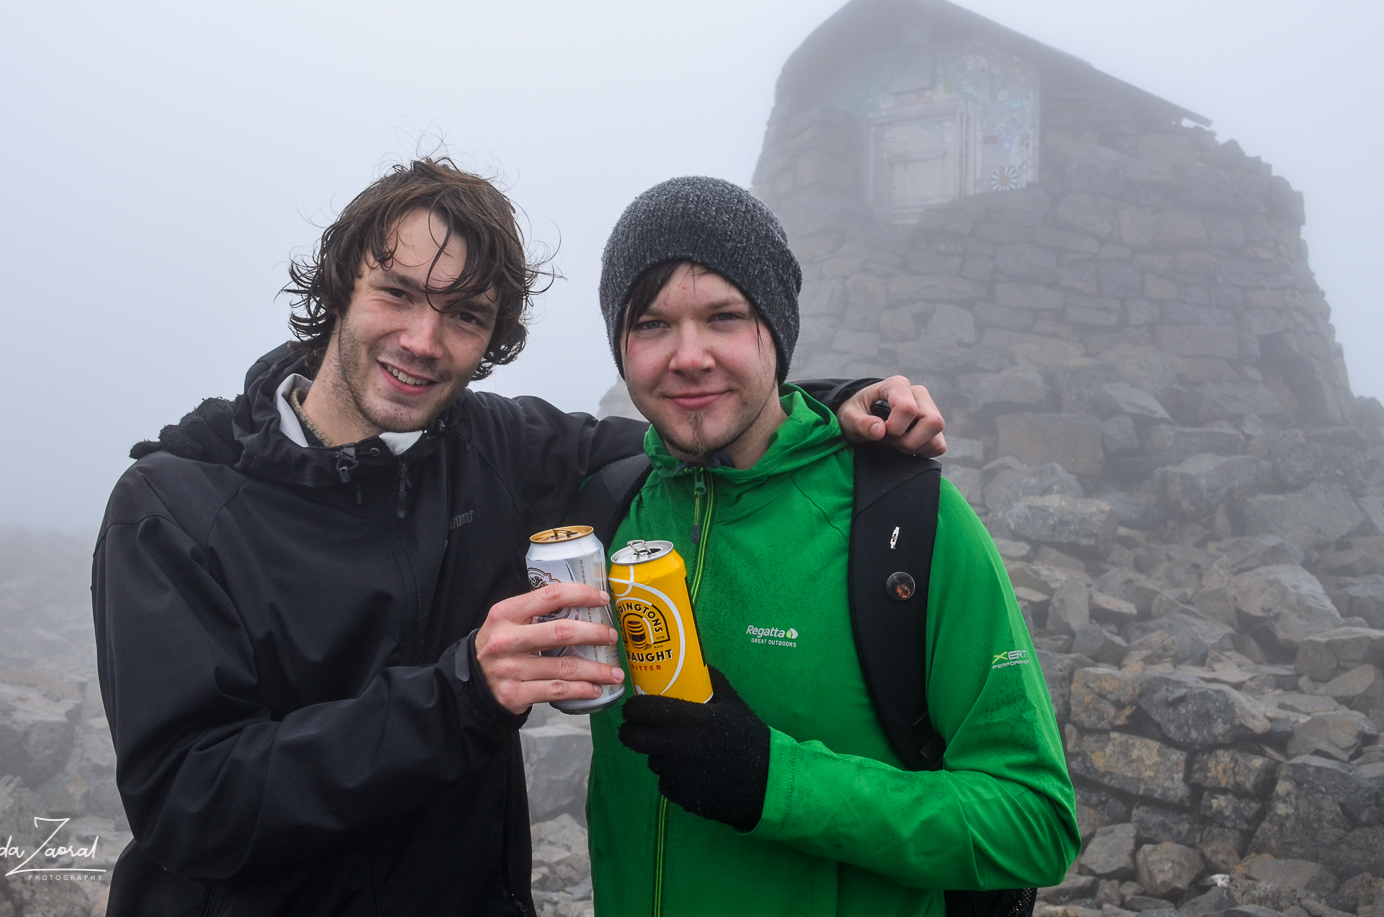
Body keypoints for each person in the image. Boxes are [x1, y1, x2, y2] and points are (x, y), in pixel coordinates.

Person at [93, 158, 946, 916]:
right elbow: (188, 803)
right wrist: (461, 692)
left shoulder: (497, 450)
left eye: (465, 315)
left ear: (491, 338)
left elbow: (684, 430)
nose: (423, 342)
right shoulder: (173, 506)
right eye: (397, 293)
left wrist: (839, 404)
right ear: (337, 290)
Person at [584, 177, 1079, 917]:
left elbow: (1035, 823)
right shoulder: (610, 508)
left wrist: (775, 783)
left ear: (776, 332)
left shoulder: (906, 523)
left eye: (724, 316)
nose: (688, 356)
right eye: (651, 324)